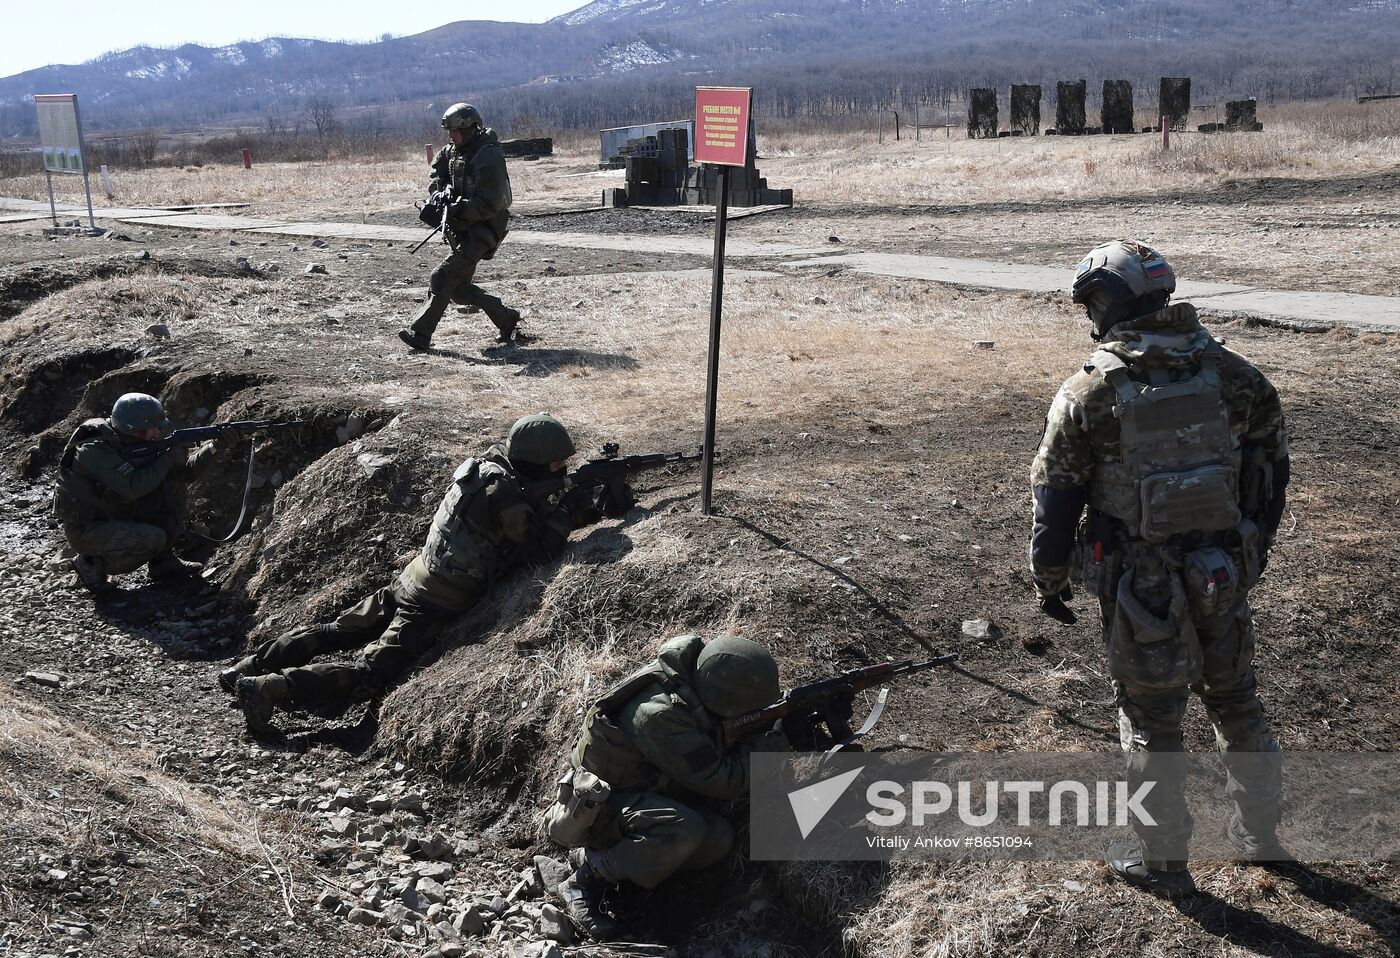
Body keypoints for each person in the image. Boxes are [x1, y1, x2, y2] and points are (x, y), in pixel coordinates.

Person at [1029, 241, 1291, 896]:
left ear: (1108, 305)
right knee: (1236, 699)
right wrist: (1250, 547)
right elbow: (1271, 468)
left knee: (1151, 721)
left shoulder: (1090, 390)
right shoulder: (1234, 374)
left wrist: (1050, 578)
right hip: (1221, 571)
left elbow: (1056, 497)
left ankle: (1165, 862)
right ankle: (1262, 836)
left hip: (1140, 584)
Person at [224, 414, 608, 736]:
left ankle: (246, 667)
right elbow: (537, 550)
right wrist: (568, 511)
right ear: (535, 461)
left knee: (336, 631)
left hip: (411, 577)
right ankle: (267, 688)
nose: (564, 470)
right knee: (369, 674)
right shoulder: (504, 493)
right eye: (557, 465)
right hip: (436, 600)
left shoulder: (487, 467)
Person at [543, 633, 795, 941]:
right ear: (724, 700)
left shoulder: (697, 676)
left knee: (717, 839)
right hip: (601, 810)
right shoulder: (658, 715)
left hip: (644, 793)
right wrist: (777, 742)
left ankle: (612, 861)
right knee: (684, 831)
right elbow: (726, 780)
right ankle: (587, 879)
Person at [54, 392, 217, 593]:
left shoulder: (139, 443)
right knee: (152, 538)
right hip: (90, 529)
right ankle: (91, 564)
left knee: (173, 484)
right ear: (134, 430)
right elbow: (133, 487)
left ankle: (163, 562)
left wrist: (214, 448)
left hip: (118, 511)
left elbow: (186, 474)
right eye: (152, 428)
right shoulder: (93, 449)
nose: (158, 432)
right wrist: (166, 460)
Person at [398, 103, 519, 351]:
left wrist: (456, 208)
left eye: (455, 131)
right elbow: (436, 174)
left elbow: (492, 202)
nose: (451, 137)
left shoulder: (488, 156)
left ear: (471, 129)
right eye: (449, 132)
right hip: (462, 228)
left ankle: (421, 335)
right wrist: (439, 194)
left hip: (484, 230)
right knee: (458, 290)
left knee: (442, 276)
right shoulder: (453, 151)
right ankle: (506, 318)